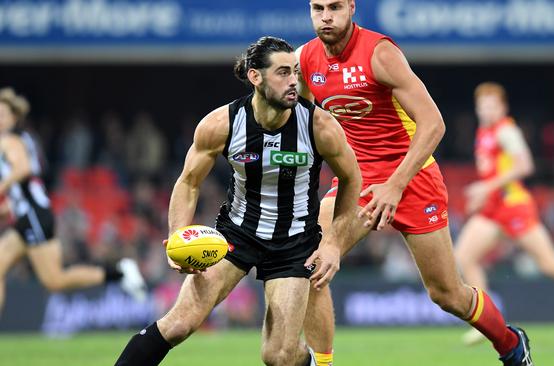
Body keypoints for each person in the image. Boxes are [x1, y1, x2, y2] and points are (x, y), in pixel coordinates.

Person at [297, 1, 533, 365]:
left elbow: (434, 123)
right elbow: (304, 117)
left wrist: (395, 184)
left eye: (335, 7)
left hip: (413, 174)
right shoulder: (306, 60)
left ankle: (510, 343)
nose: (326, 16)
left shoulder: (381, 53)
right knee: (312, 260)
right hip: (357, 180)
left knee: (446, 293)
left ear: (351, 8)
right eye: (317, 7)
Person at [114, 36, 362, 366]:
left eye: (295, 73)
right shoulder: (221, 124)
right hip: (237, 235)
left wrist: (332, 243)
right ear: (255, 76)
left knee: (279, 356)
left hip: (294, 243)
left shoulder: (321, 126)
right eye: (283, 73)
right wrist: (178, 236)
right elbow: (188, 183)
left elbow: (352, 179)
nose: (293, 82)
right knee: (178, 324)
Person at [455, 82, 554, 344]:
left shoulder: (506, 130)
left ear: (502, 107)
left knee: (548, 262)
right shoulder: (484, 131)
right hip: (493, 208)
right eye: (481, 106)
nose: (485, 111)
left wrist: (487, 186)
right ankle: (486, 321)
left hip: (513, 205)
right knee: (465, 256)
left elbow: (525, 165)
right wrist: (486, 193)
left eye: (490, 105)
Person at [0, 87, 147, 316]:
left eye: (2, 115)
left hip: (33, 216)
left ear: (14, 118)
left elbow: (23, 169)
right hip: (29, 215)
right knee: (46, 278)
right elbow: (20, 190)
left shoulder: (9, 141)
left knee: (55, 280)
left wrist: (2, 186)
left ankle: (118, 271)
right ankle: (119, 272)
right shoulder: (20, 140)